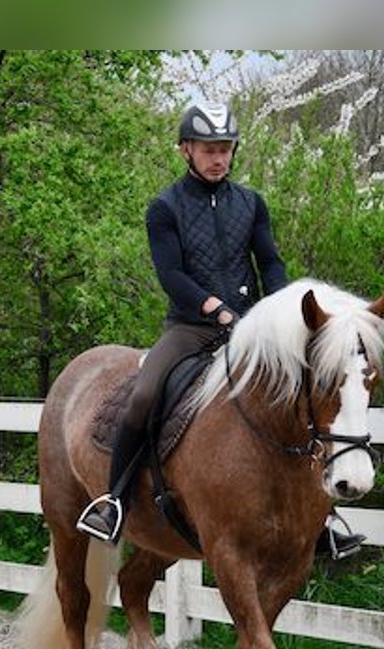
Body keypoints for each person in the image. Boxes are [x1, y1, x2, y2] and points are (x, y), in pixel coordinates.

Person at [76, 100, 365, 560]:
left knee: (304, 401)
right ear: (185, 150)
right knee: (144, 395)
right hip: (190, 328)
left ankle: (324, 520)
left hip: (253, 329)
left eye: (226, 149)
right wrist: (218, 310)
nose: (219, 158)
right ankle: (112, 500)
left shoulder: (251, 204)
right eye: (209, 149)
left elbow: (269, 261)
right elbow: (172, 275)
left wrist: (282, 310)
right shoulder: (164, 208)